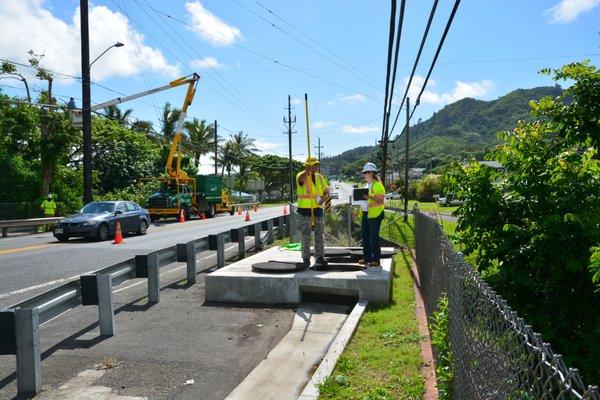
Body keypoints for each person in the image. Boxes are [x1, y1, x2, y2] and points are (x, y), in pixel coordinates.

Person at [296, 157, 330, 270]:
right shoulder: (301, 175)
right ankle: (305, 259)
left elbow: (326, 190)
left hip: (318, 209)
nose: (316, 167)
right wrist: (307, 171)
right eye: (314, 165)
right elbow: (301, 180)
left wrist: (324, 199)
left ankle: (319, 258)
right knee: (306, 235)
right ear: (308, 166)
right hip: (304, 210)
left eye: (317, 165)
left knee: (319, 234)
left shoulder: (320, 177)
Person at [360, 163, 386, 267]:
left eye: (366, 172)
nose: (364, 174)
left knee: (373, 237)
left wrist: (369, 197)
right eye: (364, 172)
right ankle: (367, 258)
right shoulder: (365, 185)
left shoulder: (377, 185)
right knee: (365, 236)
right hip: (366, 214)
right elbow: (363, 201)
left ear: (372, 173)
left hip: (375, 215)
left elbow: (380, 200)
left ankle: (376, 259)